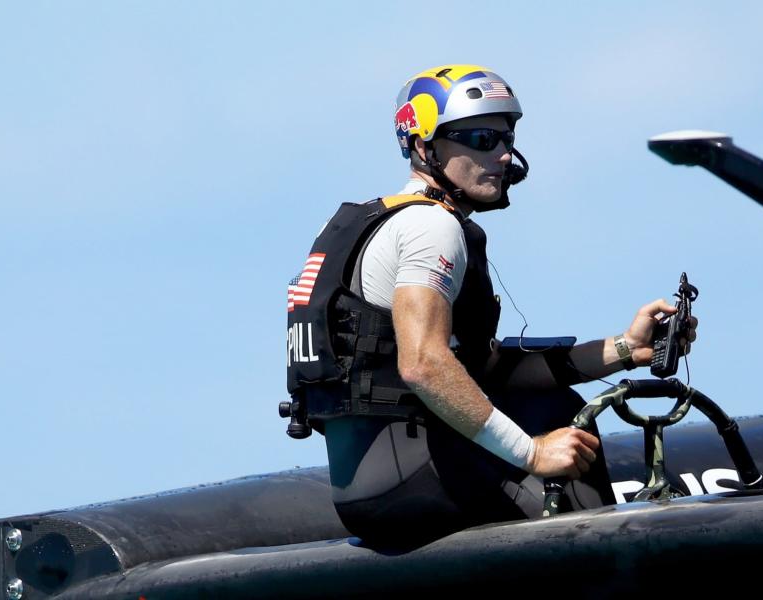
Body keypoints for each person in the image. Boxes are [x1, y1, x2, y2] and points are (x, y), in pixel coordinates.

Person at [284, 64, 697, 547]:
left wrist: (625, 349)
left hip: (369, 488)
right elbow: (424, 365)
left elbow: (485, 368)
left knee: (544, 399)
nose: (503, 155)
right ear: (424, 146)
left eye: (507, 137)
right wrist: (532, 453)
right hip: (414, 481)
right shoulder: (431, 227)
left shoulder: (369, 221)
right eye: (481, 138)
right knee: (558, 418)